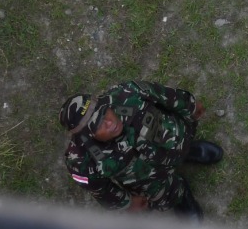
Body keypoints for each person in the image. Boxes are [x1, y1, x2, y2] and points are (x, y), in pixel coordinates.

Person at [60, 80, 223, 217]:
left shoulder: (128, 93)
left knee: (181, 142)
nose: (109, 122)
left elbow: (166, 95)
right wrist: (127, 202)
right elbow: (101, 190)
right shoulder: (79, 160)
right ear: (88, 136)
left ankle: (189, 152)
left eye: (104, 112)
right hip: (148, 179)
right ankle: (180, 196)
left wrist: (191, 106)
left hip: (173, 143)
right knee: (164, 196)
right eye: (98, 125)